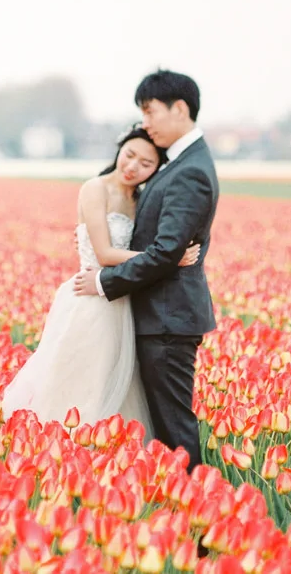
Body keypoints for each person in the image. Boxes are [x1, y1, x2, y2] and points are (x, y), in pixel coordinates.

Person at [0, 126, 202, 428]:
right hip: (90, 299)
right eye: (129, 155)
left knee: (119, 384)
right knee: (82, 381)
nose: (132, 167)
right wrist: (169, 259)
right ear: (119, 150)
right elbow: (105, 254)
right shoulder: (95, 188)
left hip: (126, 301)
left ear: (157, 169)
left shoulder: (143, 200)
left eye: (146, 164)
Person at [72, 70, 218, 471]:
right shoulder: (180, 163)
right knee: (162, 427)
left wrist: (104, 280)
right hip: (155, 317)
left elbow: (167, 250)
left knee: (174, 430)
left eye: (150, 111)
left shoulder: (188, 170)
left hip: (168, 321)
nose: (146, 122)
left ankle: (200, 525)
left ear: (180, 109)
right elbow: (163, 243)